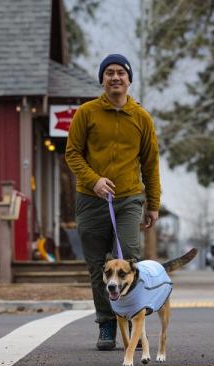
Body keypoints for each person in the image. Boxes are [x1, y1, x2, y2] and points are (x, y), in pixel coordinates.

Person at [65, 54, 161, 350]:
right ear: (102, 79)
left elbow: (150, 163)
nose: (115, 77)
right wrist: (94, 180)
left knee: (131, 259)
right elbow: (72, 153)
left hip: (128, 199)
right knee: (98, 266)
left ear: (129, 79)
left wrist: (153, 203)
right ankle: (106, 324)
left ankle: (134, 320)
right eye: (109, 73)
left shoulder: (141, 117)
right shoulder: (86, 113)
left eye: (121, 72)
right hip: (91, 200)